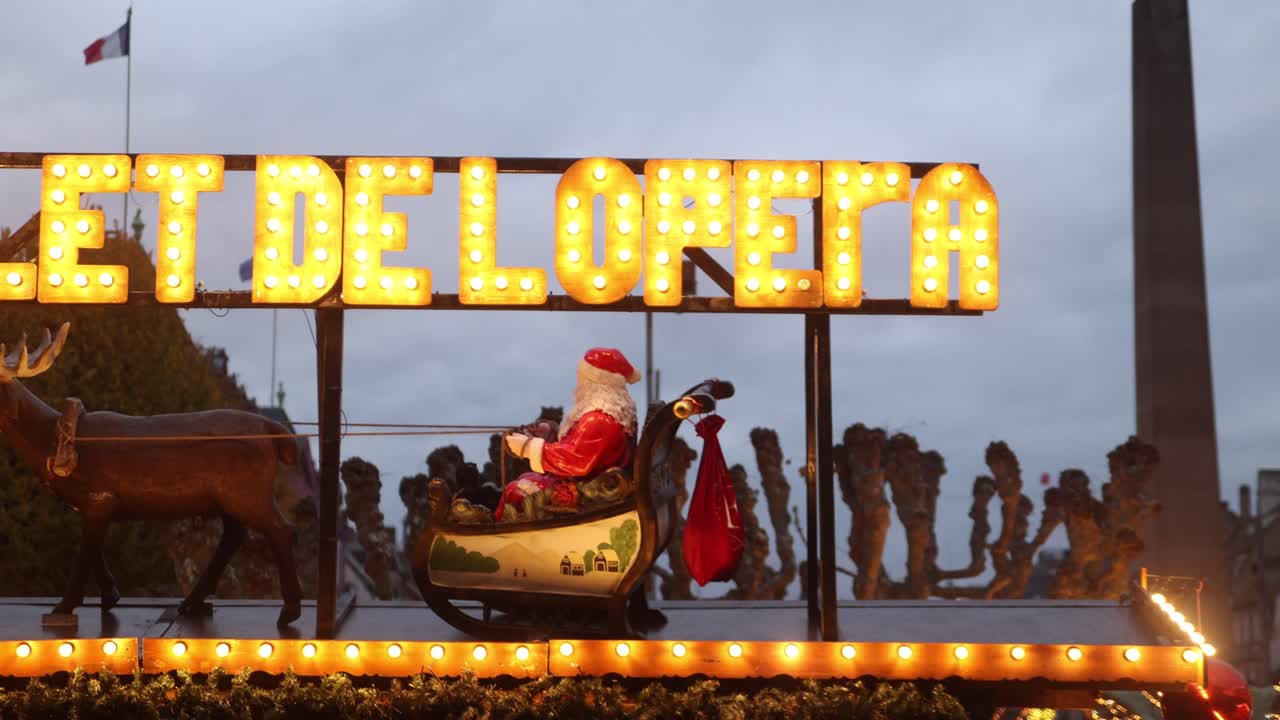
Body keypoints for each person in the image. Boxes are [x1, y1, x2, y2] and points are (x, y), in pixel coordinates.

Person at [497, 347, 640, 521]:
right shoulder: (611, 414)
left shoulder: (598, 420)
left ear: (595, 382)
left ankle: (498, 538)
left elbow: (574, 459)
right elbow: (584, 444)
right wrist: (551, 433)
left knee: (515, 490)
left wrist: (529, 448)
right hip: (590, 482)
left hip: (585, 491)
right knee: (527, 478)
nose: (579, 385)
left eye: (582, 379)